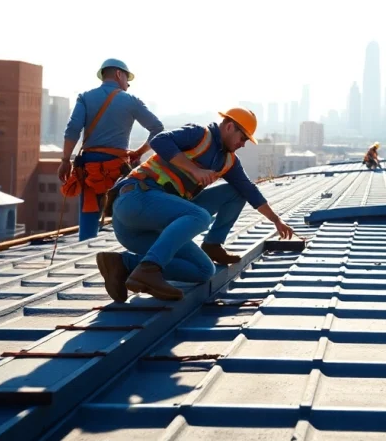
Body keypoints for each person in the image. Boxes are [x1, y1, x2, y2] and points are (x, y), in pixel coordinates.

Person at [95, 107, 295, 302]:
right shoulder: (199, 135)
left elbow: (250, 191)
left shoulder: (228, 161)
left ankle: (123, 264)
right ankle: (149, 270)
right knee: (200, 216)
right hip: (135, 200)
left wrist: (276, 221)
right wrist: (194, 170)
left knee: (204, 270)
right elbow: (159, 140)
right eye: (243, 138)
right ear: (229, 126)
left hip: (153, 228)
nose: (243, 144)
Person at [59, 59, 163, 241]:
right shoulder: (131, 101)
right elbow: (158, 128)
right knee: (126, 211)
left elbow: (73, 129)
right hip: (118, 170)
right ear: (118, 74)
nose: (128, 85)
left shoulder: (85, 98)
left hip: (90, 169)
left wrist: (65, 160)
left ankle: (86, 245)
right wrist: (139, 152)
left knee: (89, 213)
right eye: (127, 80)